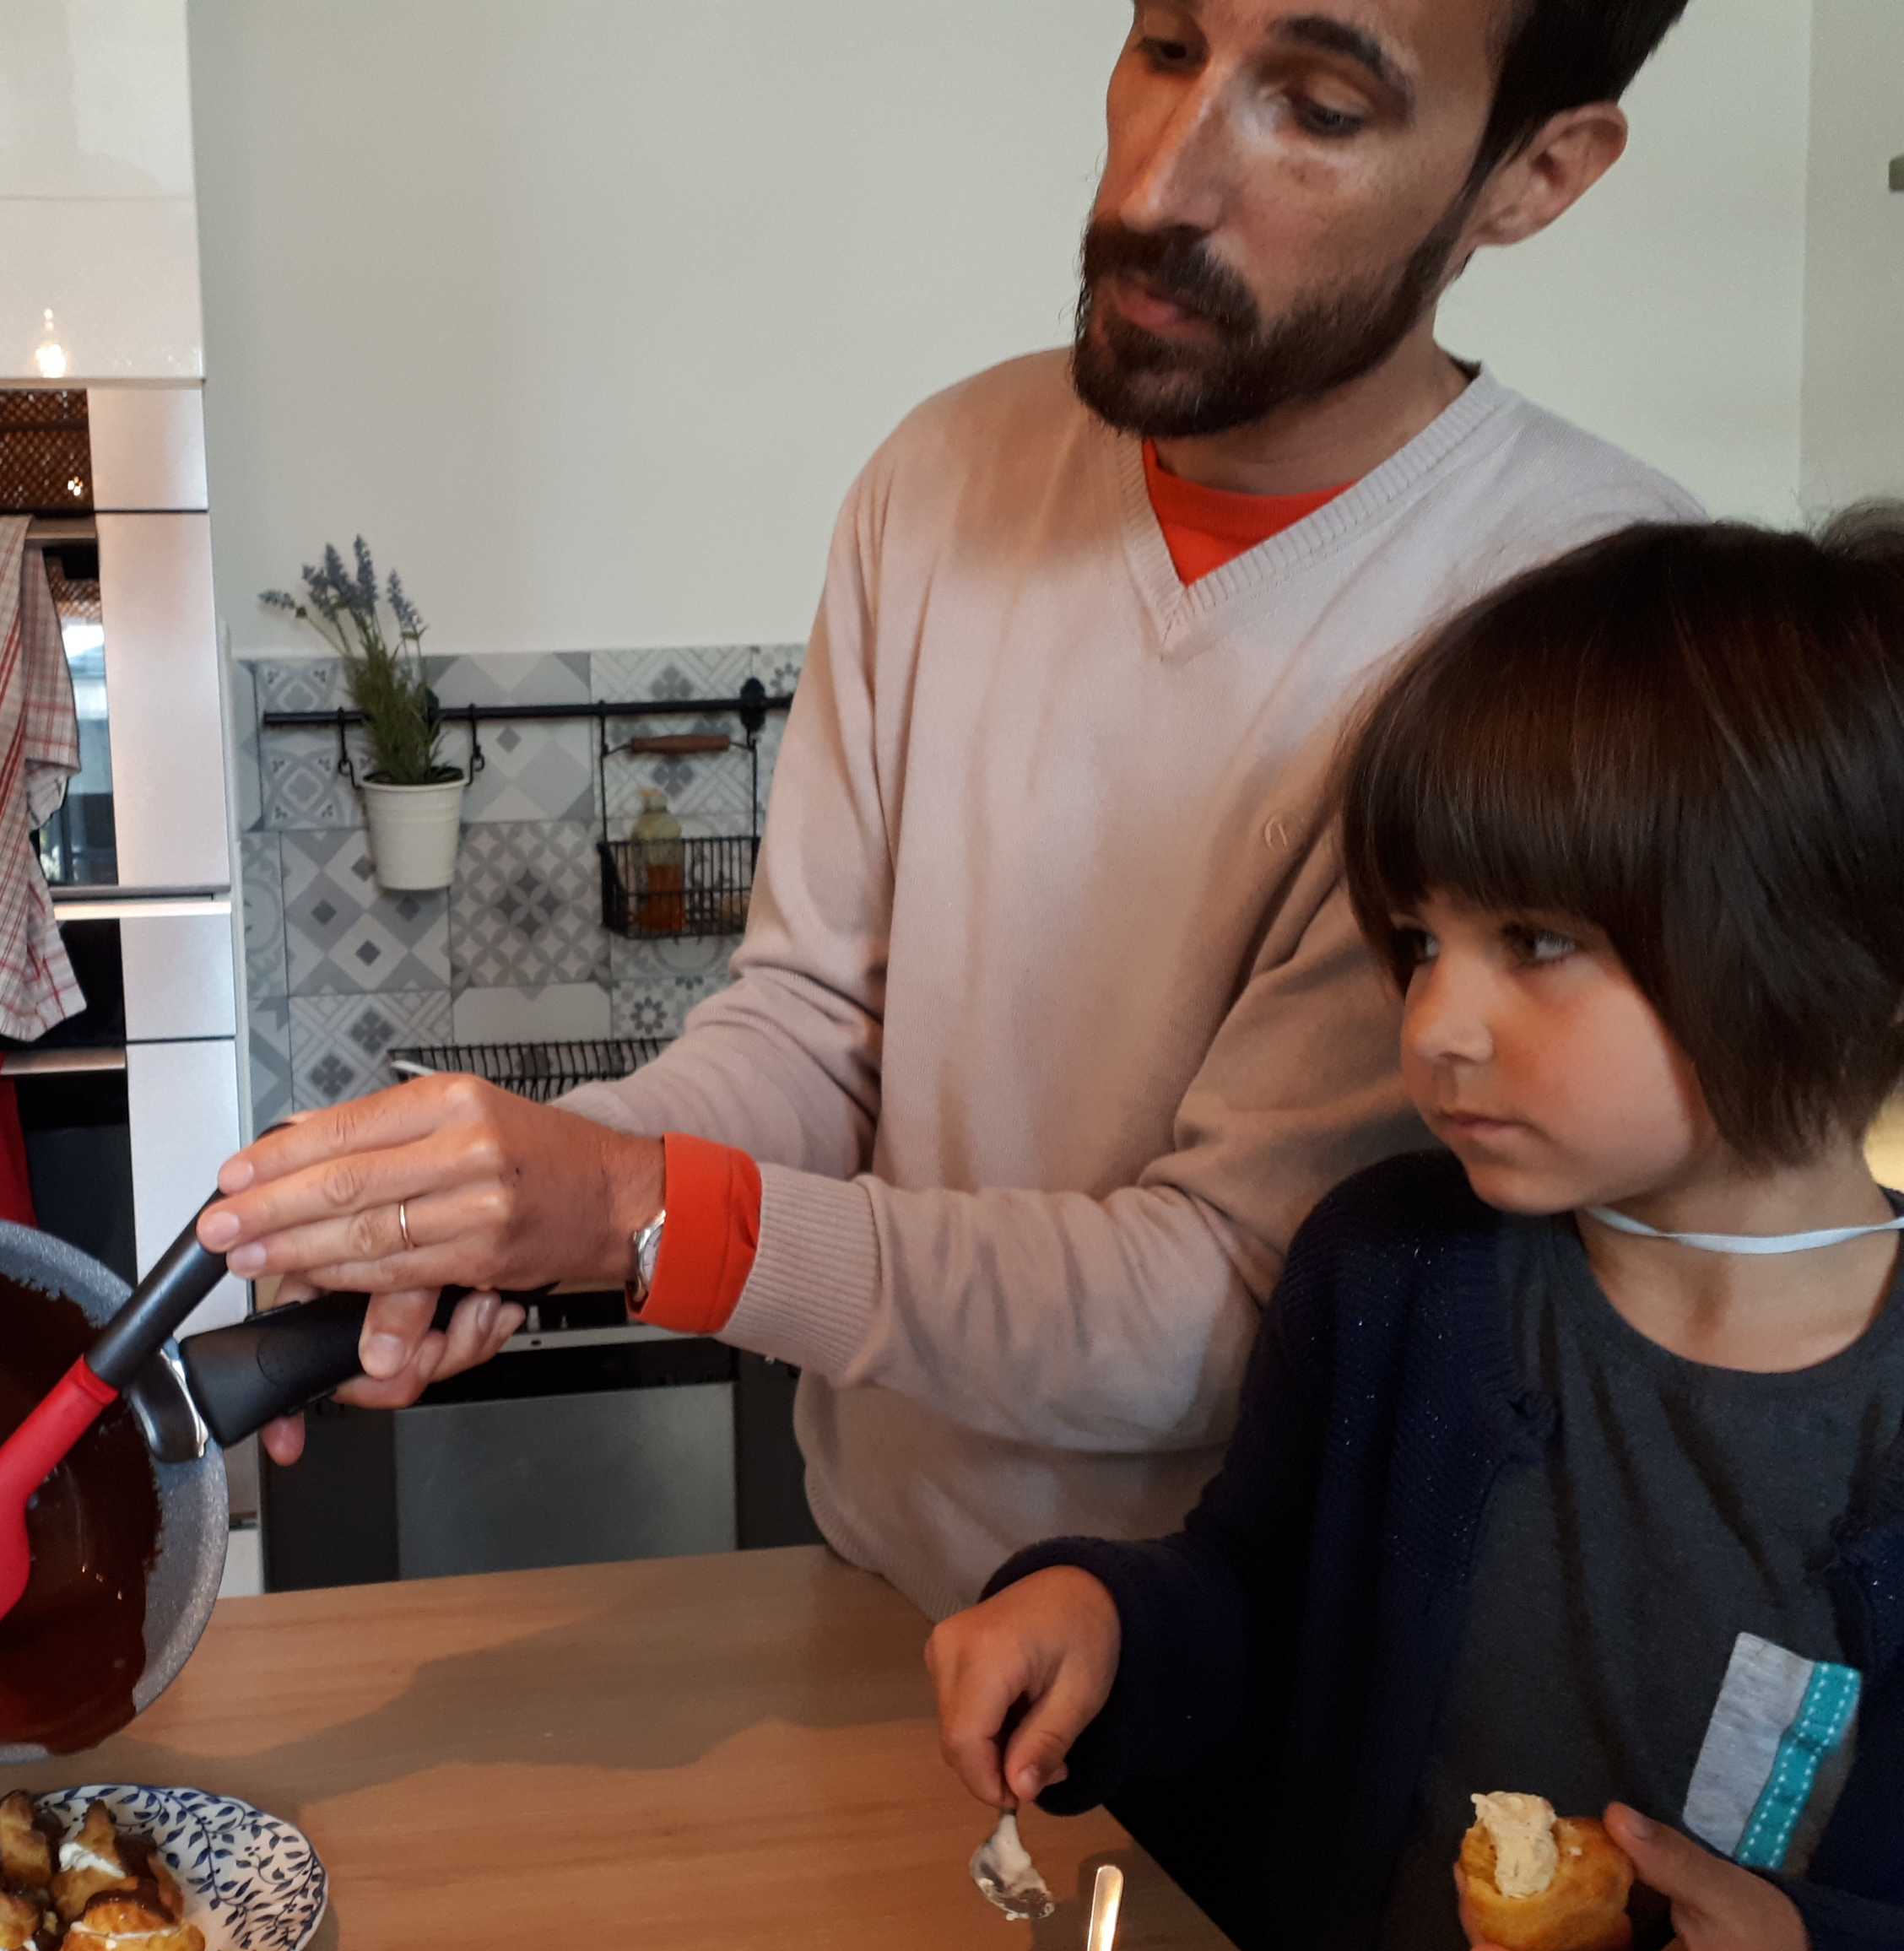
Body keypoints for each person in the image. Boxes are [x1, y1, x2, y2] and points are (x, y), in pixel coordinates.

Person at [197, 0, 1704, 1618]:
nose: (1155, 186)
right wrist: (531, 1195)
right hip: (882, 1582)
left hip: (1257, 1681)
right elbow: (811, 1030)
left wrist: (634, 1214)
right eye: (1168, 46)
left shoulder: (1590, 625)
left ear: (1529, 175)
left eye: (1317, 108)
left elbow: (1225, 1307)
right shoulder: (945, 475)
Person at [924, 516, 1904, 1951]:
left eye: (1533, 940)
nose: (1435, 1020)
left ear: (1826, 942)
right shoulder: (1397, 1265)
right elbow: (1257, 1601)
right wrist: (1102, 1615)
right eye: (1415, 939)